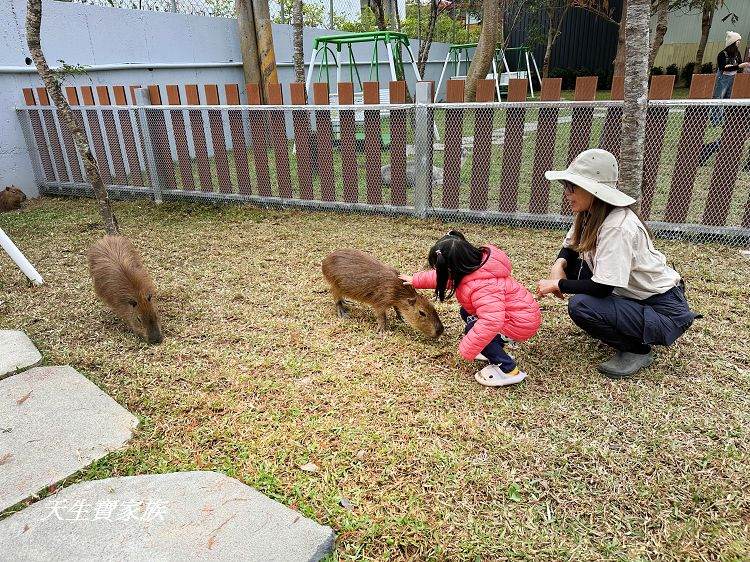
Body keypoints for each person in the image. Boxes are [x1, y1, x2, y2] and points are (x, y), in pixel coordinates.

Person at [537, 149, 699, 379]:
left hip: (662, 310)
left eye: (572, 186)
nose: (567, 192)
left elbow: (602, 287)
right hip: (633, 297)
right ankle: (623, 324)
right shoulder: (590, 214)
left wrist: (558, 285)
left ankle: (637, 349)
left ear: (593, 190)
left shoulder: (617, 227)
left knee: (581, 305)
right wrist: (559, 265)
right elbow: (571, 247)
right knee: (573, 269)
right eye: (566, 185)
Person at [400, 231, 541, 387]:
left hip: (519, 322)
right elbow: (445, 278)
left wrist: (467, 347)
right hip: (514, 315)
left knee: (475, 330)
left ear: (453, 268)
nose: (442, 275)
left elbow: (490, 323)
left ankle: (509, 370)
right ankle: (495, 346)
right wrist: (416, 280)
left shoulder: (483, 287)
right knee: (466, 312)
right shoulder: (474, 266)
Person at [699, 31, 750, 164]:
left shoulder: (737, 54)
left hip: (734, 81)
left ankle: (711, 147)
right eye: (737, 41)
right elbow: (725, 68)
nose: (739, 43)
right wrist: (739, 66)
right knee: (739, 134)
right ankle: (711, 146)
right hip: (725, 79)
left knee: (740, 134)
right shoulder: (723, 54)